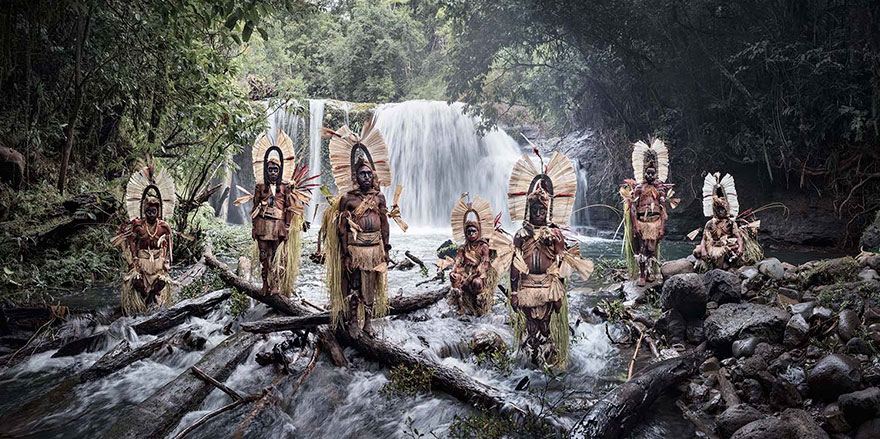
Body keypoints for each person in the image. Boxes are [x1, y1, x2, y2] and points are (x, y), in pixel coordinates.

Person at [507, 151, 594, 369]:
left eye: (541, 210)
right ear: (528, 209)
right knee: (531, 325)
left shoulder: (555, 235)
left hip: (547, 285)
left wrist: (560, 290)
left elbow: (561, 262)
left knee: (545, 324)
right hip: (527, 285)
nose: (537, 213)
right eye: (534, 209)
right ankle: (532, 355)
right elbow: (514, 265)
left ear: (548, 212)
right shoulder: (520, 235)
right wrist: (514, 292)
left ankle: (547, 353)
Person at [321, 122, 405, 339]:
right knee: (355, 286)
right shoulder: (347, 199)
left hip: (374, 249)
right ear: (355, 176)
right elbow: (341, 228)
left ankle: (368, 322)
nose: (366, 178)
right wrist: (345, 253)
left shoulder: (379, 198)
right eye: (362, 175)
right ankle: (352, 322)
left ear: (373, 175)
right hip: (356, 250)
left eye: (369, 174)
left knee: (372, 287)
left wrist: (386, 248)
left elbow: (385, 223)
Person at [236, 130, 315, 296]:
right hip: (263, 225)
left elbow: (288, 208)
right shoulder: (260, 187)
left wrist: (287, 226)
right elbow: (255, 206)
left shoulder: (284, 188)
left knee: (277, 256)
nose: (273, 172)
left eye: (275, 170)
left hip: (278, 225)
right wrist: (254, 228)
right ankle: (264, 283)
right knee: (264, 256)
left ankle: (276, 284)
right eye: (270, 169)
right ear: (266, 170)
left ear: (280, 171)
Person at [113, 162, 175, 316]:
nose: (151, 213)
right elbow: (132, 241)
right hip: (142, 260)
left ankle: (153, 296)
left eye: (154, 210)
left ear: (159, 210)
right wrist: (133, 259)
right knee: (136, 281)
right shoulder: (138, 226)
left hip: (158, 263)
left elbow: (168, 245)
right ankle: (143, 300)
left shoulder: (164, 227)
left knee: (162, 282)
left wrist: (167, 261)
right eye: (149, 210)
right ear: (144, 210)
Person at [624, 139, 672, 286]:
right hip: (642, 222)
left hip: (655, 222)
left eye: (652, 173)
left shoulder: (660, 189)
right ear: (644, 173)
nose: (650, 176)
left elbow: (663, 208)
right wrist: (635, 226)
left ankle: (651, 272)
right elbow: (633, 207)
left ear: (656, 173)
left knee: (651, 249)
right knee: (642, 248)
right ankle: (642, 275)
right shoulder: (639, 189)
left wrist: (662, 227)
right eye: (648, 173)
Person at [448, 195, 495, 316]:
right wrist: (453, 272)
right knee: (455, 279)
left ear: (478, 232)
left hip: (477, 273)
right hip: (464, 271)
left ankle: (479, 303)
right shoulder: (463, 247)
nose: (471, 234)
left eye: (474, 231)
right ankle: (460, 306)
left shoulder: (483, 246)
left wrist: (474, 275)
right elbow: (458, 261)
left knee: (477, 283)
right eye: (469, 232)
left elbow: (485, 264)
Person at [693, 172, 745, 270]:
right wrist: (703, 250)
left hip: (725, 246)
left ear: (727, 210)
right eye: (719, 209)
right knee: (696, 252)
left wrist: (741, 247)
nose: (721, 212)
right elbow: (704, 239)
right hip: (712, 245)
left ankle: (727, 265)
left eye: (723, 209)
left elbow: (738, 237)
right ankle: (705, 263)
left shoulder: (731, 223)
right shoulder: (710, 223)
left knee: (732, 250)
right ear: (715, 210)